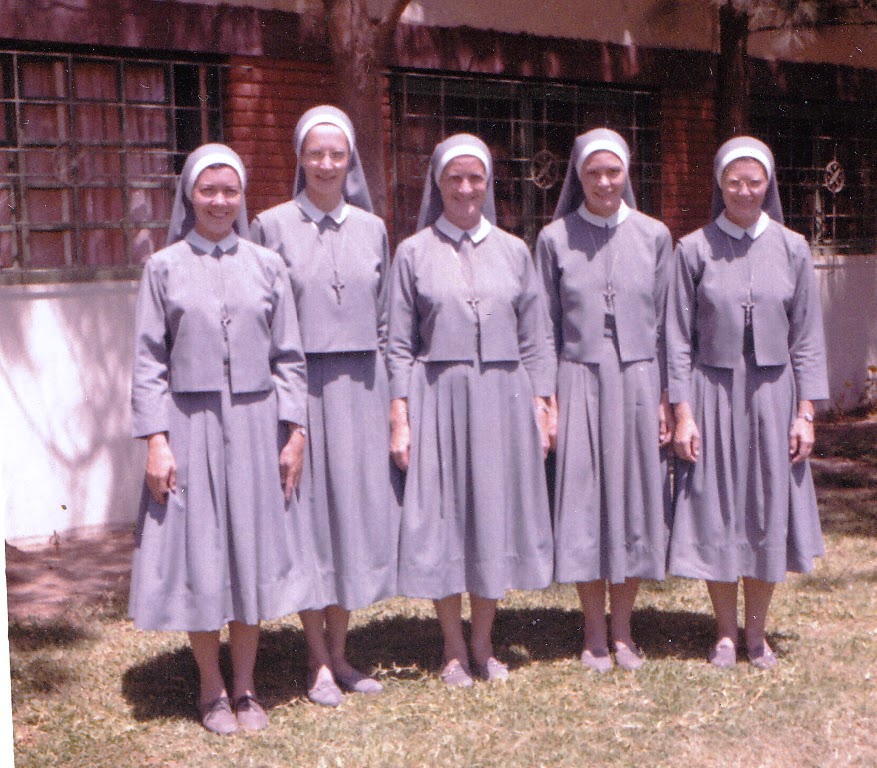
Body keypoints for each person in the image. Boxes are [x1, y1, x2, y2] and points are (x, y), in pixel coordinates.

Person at [129, 143, 316, 734]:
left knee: (249, 549)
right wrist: (156, 440)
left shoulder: (267, 266)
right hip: (189, 425)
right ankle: (211, 688)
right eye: (207, 190)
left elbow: (290, 356)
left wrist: (295, 431)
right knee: (202, 553)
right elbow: (147, 362)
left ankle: (247, 685)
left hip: (258, 426)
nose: (218, 200)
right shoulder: (162, 267)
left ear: (242, 196)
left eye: (229, 190)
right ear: (189, 194)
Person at [387, 133, 554, 687]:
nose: (465, 188)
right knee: (446, 519)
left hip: (504, 399)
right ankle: (453, 647)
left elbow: (536, 336)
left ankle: (483, 641)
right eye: (454, 178)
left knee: (492, 516)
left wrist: (543, 404)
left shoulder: (513, 250)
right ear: (438, 184)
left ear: (489, 183)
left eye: (475, 177)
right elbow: (398, 343)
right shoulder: (412, 253)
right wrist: (401, 416)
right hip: (439, 396)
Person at [250, 106, 401, 707]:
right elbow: (266, 328)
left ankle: (341, 652)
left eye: (337, 154)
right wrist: (286, 413)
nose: (327, 164)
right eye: (316, 153)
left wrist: (394, 407)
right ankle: (315, 661)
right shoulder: (271, 226)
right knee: (309, 520)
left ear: (350, 159)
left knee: (349, 519)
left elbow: (388, 322)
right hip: (302, 388)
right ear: (299, 157)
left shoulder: (373, 228)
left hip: (361, 389)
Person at [667, 136, 828, 670]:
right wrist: (683, 411)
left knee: (765, 506)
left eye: (754, 181)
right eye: (734, 182)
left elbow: (806, 336)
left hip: (773, 396)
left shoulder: (793, 247)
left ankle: (755, 634)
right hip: (712, 394)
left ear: (769, 184)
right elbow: (677, 337)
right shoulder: (693, 249)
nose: (744, 191)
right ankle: (723, 633)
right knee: (716, 507)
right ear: (720, 185)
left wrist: (806, 412)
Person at [536, 128, 674, 673]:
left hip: (639, 380)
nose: (603, 182)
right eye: (593, 172)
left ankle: (624, 629)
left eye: (613, 171)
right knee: (586, 502)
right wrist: (545, 399)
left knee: (634, 495)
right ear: (578, 176)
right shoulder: (554, 238)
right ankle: (592, 630)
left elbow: (668, 324)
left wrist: (669, 397)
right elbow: (543, 327)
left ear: (626, 174)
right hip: (578, 377)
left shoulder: (655, 235)